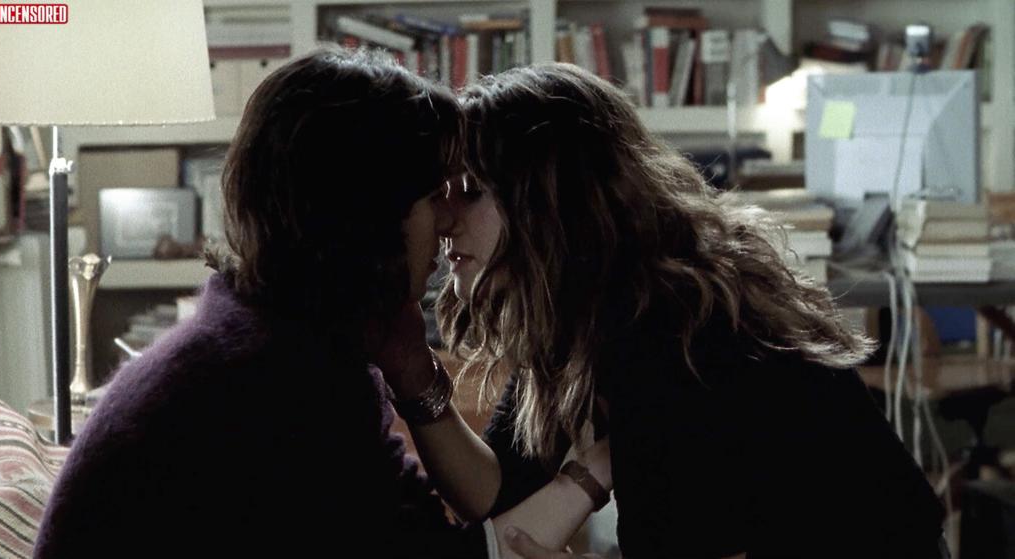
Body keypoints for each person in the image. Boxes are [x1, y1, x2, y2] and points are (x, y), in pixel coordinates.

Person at [33, 50, 610, 559]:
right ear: (372, 213)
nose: (444, 222)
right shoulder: (286, 379)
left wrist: (414, 376)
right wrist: (597, 471)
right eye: (432, 196)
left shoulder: (265, 334)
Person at [381, 63, 947, 559]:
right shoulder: (586, 308)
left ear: (551, 200)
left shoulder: (672, 334)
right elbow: (500, 495)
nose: (445, 220)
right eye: (441, 194)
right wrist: (413, 373)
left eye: (470, 191)